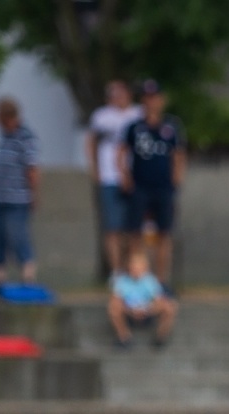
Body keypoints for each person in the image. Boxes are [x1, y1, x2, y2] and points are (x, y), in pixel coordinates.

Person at [119, 80, 185, 289]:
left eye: (154, 97)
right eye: (147, 98)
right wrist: (125, 178)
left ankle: (161, 280)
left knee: (164, 233)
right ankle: (137, 278)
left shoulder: (171, 126)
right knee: (135, 233)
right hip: (140, 186)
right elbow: (121, 153)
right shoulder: (134, 127)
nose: (151, 102)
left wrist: (175, 180)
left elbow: (178, 155)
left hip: (163, 187)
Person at [88, 80, 142, 276]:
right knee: (112, 228)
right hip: (109, 177)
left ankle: (134, 270)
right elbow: (91, 142)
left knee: (134, 228)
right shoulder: (101, 116)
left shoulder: (138, 114)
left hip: (134, 178)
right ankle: (116, 272)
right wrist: (95, 170)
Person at [0, 97, 40, 285]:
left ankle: (27, 274)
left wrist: (33, 195)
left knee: (18, 237)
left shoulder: (25, 137)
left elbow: (32, 169)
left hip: (17, 199)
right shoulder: (3, 137)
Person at [108, 248, 177, 347]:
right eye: (134, 267)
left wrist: (148, 309)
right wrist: (131, 310)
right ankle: (124, 337)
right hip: (129, 312)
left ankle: (160, 337)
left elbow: (158, 299)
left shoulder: (151, 281)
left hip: (148, 311)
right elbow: (116, 299)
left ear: (145, 268)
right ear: (129, 267)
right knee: (113, 306)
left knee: (170, 307)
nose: (136, 271)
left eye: (139, 268)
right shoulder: (122, 281)